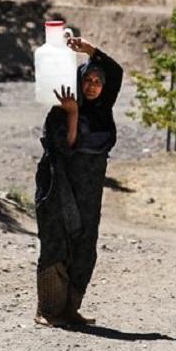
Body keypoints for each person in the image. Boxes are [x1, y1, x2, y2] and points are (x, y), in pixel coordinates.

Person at [34, 36, 123, 327]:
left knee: (85, 246)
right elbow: (65, 148)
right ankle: (47, 310)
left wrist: (90, 50)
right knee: (57, 243)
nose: (93, 85)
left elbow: (117, 72)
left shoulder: (103, 112)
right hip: (59, 187)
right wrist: (73, 113)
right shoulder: (61, 111)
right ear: (78, 82)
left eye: (98, 81)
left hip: (89, 193)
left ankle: (70, 309)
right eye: (88, 80)